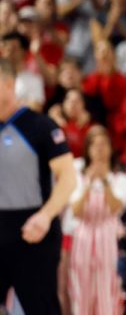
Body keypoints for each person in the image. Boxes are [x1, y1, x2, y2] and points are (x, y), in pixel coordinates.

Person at [0, 58, 77, 314]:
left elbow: (68, 177)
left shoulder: (40, 126)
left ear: (9, 83)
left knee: (40, 308)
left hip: (34, 233)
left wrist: (45, 215)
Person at [68, 125, 126, 315]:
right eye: (95, 145)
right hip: (83, 238)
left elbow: (116, 208)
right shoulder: (77, 177)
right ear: (88, 149)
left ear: (111, 149)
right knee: (81, 291)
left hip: (108, 237)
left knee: (108, 291)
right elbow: (76, 211)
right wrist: (88, 185)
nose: (100, 150)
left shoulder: (120, 179)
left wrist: (104, 182)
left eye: (104, 145)